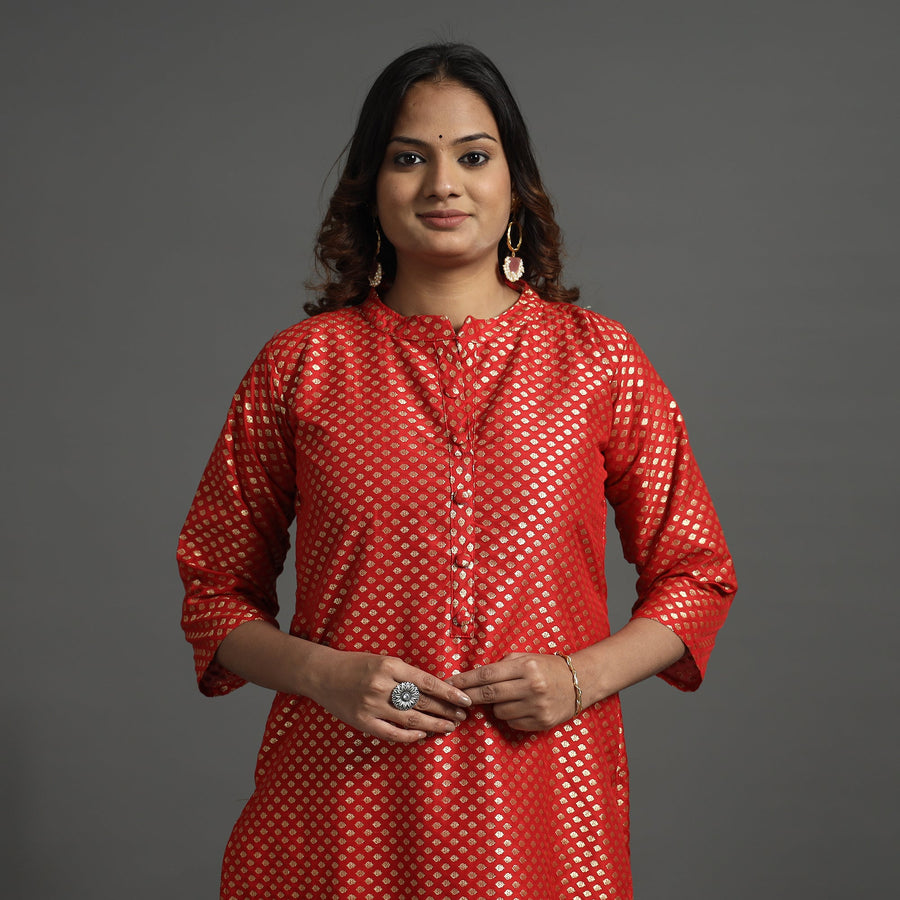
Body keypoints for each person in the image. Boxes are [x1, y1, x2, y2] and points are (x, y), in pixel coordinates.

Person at [178, 42, 737, 900]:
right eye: (410, 159)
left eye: (473, 157)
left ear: (515, 186)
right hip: (339, 810)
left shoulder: (598, 363)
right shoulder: (301, 368)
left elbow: (697, 577)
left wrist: (576, 680)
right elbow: (214, 595)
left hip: (543, 813)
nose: (443, 184)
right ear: (372, 187)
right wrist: (329, 675)